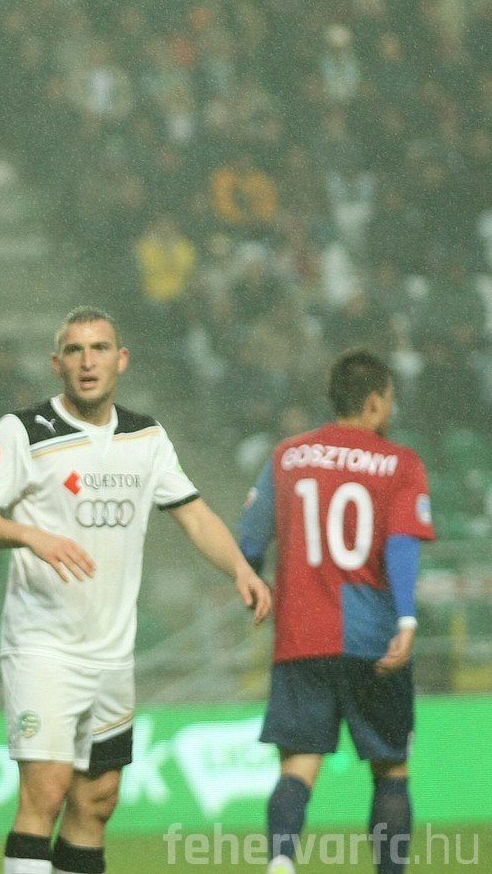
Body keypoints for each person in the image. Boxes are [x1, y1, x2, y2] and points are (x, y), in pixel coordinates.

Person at [0, 306, 272, 874]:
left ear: (121, 360)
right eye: (74, 350)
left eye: (99, 348)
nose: (87, 361)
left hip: (112, 654)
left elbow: (194, 514)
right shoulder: (25, 430)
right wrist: (31, 536)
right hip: (43, 646)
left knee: (97, 802)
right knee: (45, 792)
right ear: (57, 364)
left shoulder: (146, 436)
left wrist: (241, 570)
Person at [235, 348, 434, 874]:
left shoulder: (287, 456)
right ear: (374, 402)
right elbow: (401, 546)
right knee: (390, 770)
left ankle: (281, 864)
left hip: (301, 638)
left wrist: (253, 584)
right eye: (389, 399)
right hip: (375, 641)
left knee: (298, 766)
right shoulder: (400, 463)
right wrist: (407, 619)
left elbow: (249, 544)